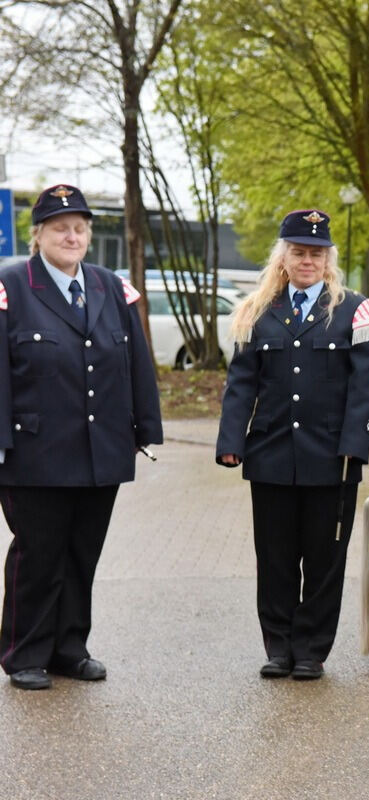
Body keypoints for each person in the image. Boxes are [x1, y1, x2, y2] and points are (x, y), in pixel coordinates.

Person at [0, 184, 162, 691]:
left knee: (81, 554)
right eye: (60, 228)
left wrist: (145, 429)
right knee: (38, 554)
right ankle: (23, 652)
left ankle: (69, 647)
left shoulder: (110, 287)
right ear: (39, 235)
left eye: (79, 228)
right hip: (34, 451)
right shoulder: (11, 287)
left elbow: (135, 361)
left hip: (100, 450)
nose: (71, 236)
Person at [216, 209, 369, 681]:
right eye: (298, 252)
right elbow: (241, 384)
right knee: (275, 559)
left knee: (325, 560)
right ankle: (279, 646)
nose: (307, 260)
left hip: (331, 459)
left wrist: (354, 449)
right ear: (283, 256)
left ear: (328, 259)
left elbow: (364, 389)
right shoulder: (257, 311)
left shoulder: (355, 310)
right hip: (270, 456)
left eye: (316, 253)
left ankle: (311, 650)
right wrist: (232, 441)